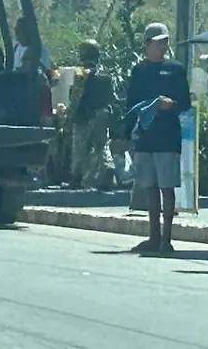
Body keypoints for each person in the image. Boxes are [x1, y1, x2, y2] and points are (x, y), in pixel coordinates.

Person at [124, 22, 190, 253]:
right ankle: (153, 236)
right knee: (149, 187)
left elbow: (185, 104)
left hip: (168, 137)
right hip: (145, 137)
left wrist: (170, 104)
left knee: (166, 187)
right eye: (158, 41)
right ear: (147, 44)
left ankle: (166, 240)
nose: (163, 45)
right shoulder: (138, 71)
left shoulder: (176, 69)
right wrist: (124, 134)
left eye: (165, 41)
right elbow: (130, 105)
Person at [68, 40, 116, 190]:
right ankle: (108, 168)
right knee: (102, 146)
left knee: (79, 147)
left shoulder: (81, 73)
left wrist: (70, 115)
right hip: (103, 114)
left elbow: (76, 95)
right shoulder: (106, 73)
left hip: (85, 116)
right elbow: (112, 97)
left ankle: (75, 177)